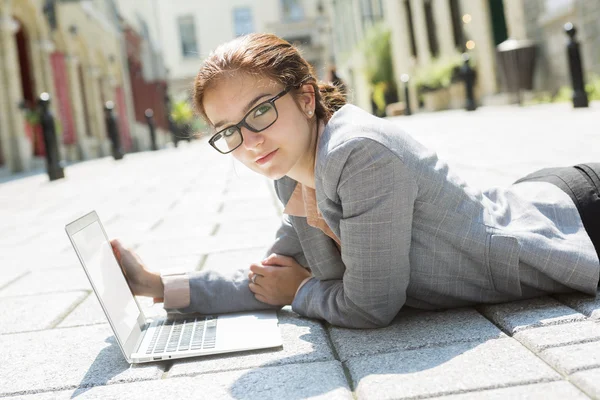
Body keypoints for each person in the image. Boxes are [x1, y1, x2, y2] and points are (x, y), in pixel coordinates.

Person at [111, 33, 600, 329]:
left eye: (260, 111)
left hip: (578, 221)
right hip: (534, 199)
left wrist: (301, 293)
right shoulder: (290, 168)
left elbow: (369, 307)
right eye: (229, 131)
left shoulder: (358, 154)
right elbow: (275, 277)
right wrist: (158, 286)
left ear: (305, 98)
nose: (250, 141)